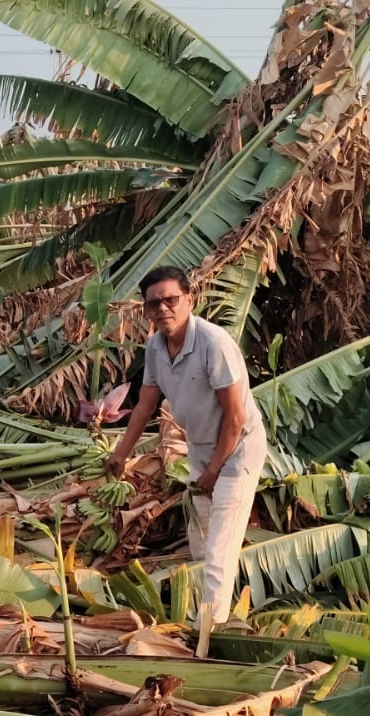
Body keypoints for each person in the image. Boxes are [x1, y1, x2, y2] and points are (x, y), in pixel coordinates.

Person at [107, 265, 267, 657]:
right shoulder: (155, 348)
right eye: (154, 304)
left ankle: (207, 639)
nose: (163, 309)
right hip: (200, 448)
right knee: (200, 541)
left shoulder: (214, 344)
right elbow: (145, 406)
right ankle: (211, 612)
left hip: (238, 450)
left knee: (219, 549)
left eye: (171, 300)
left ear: (189, 300)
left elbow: (235, 418)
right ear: (146, 311)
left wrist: (213, 471)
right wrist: (120, 455)